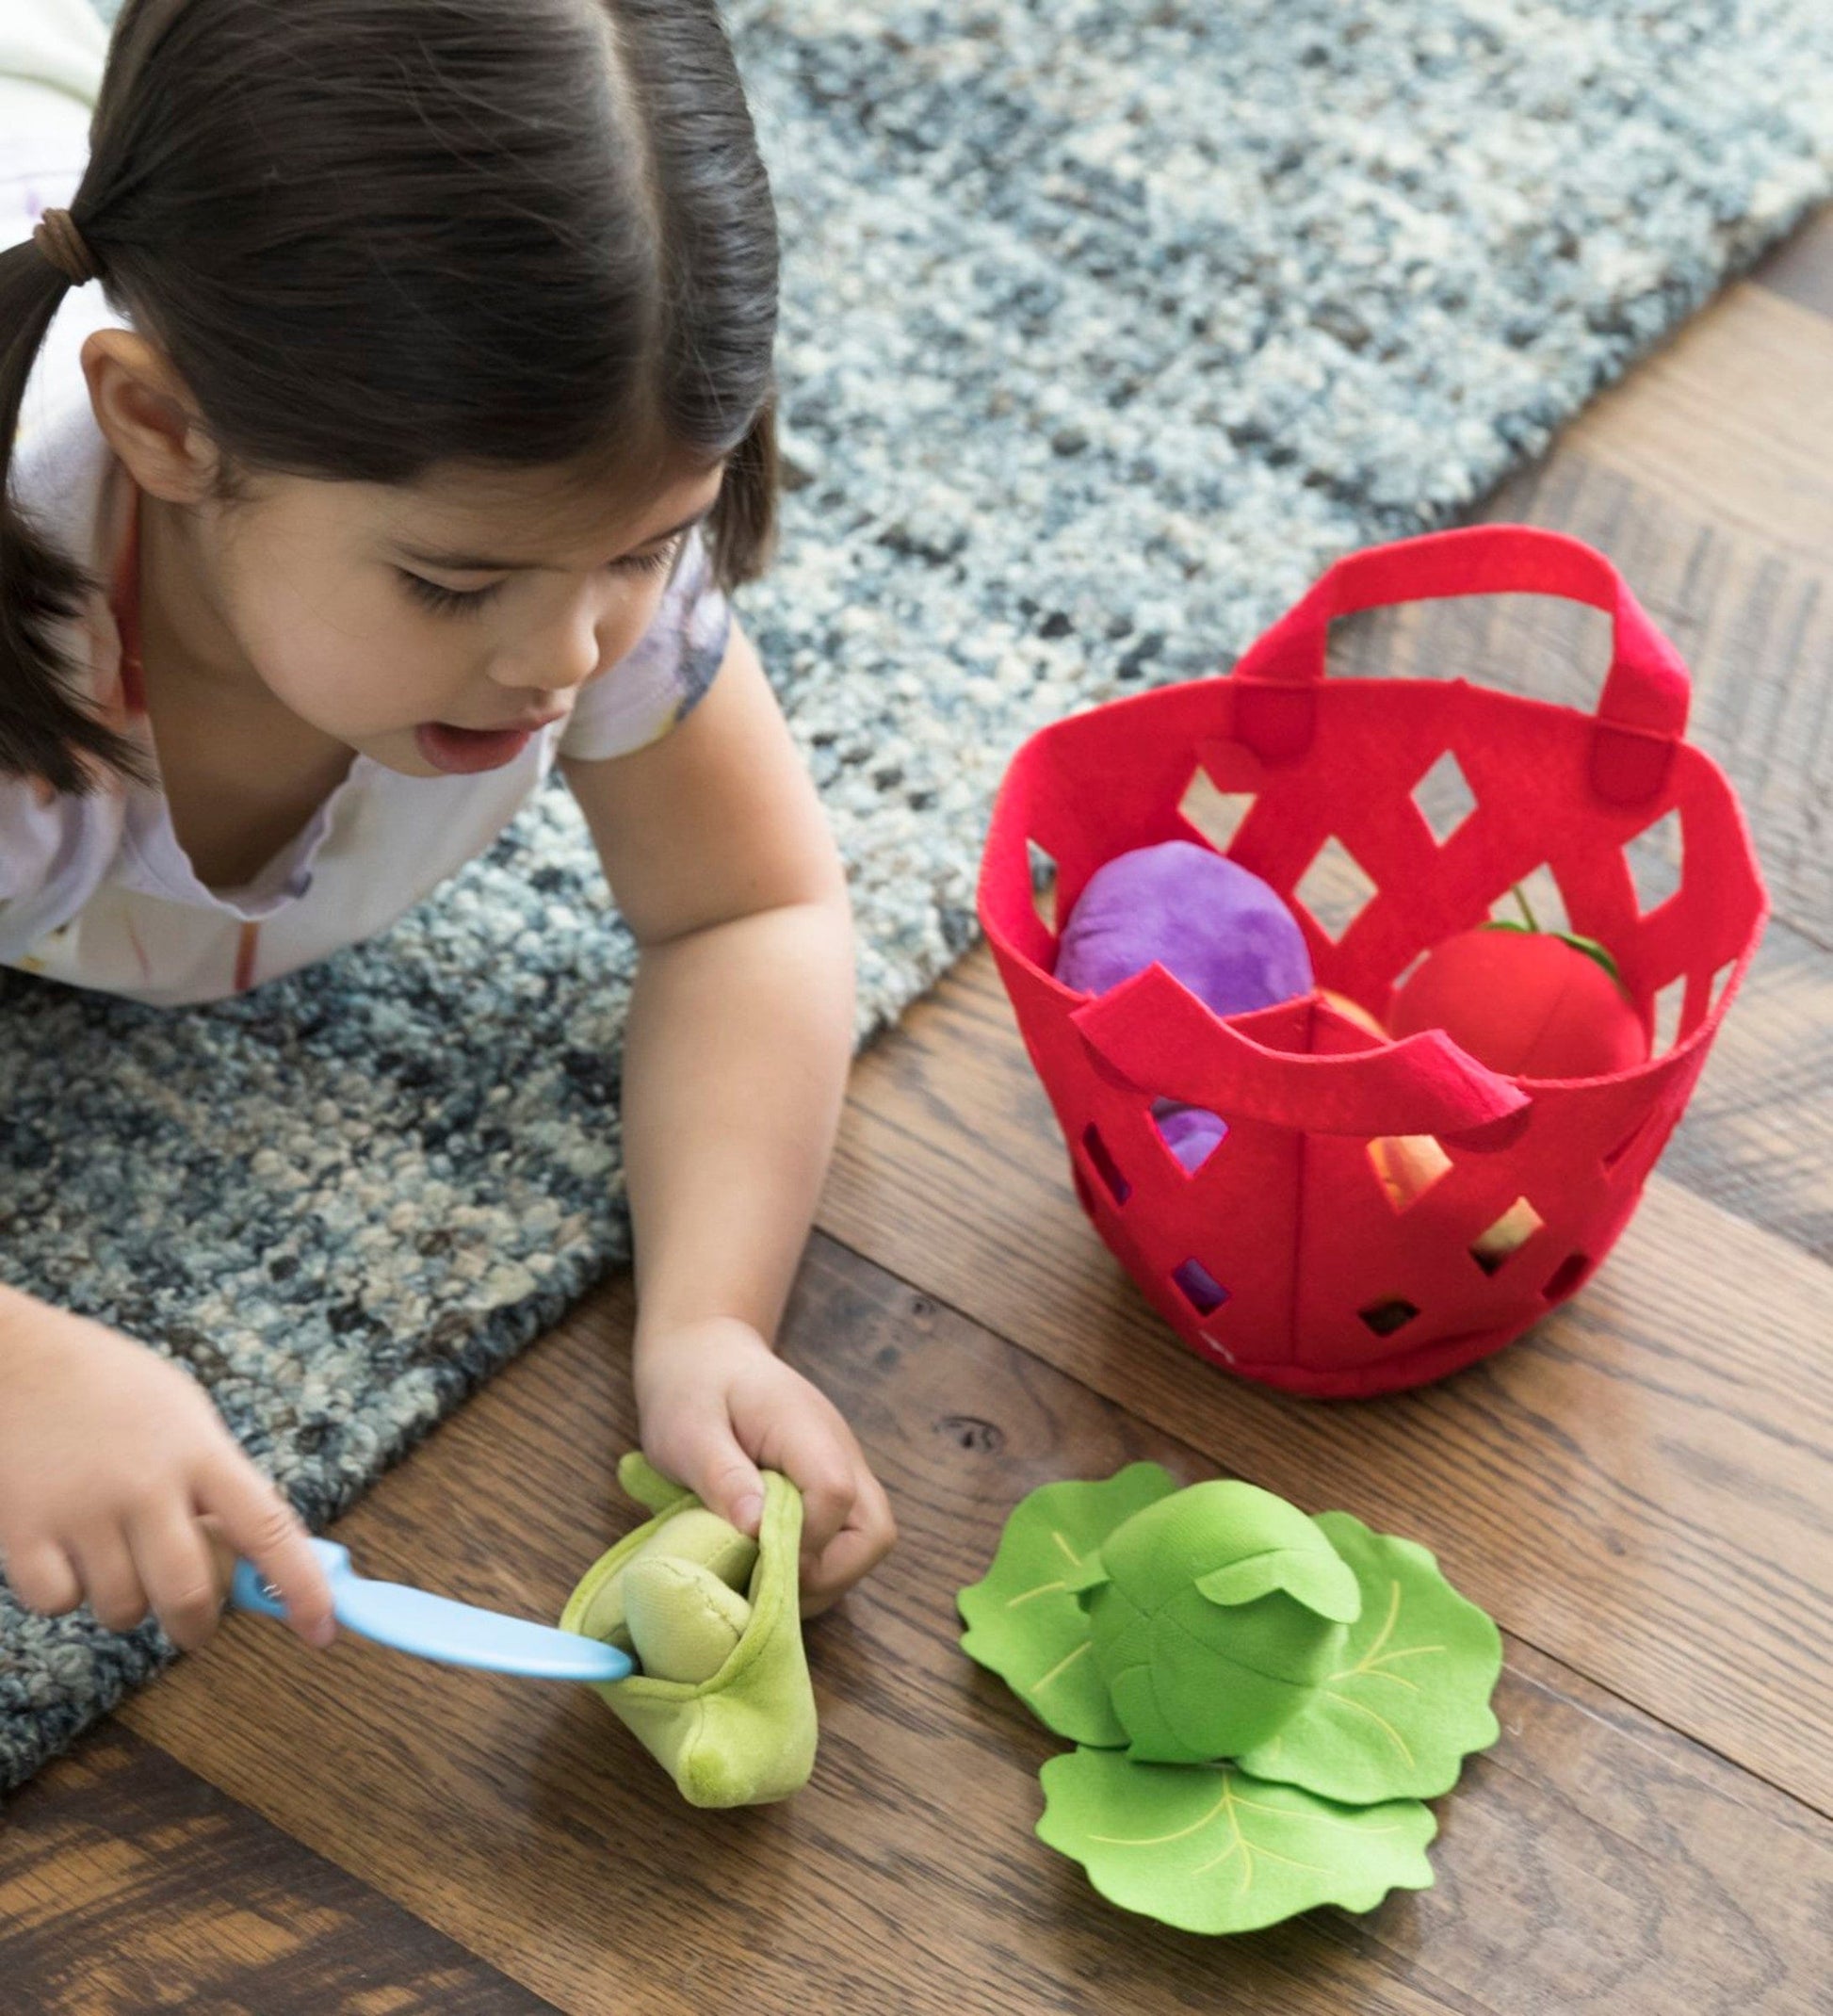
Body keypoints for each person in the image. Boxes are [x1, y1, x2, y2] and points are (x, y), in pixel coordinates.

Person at [0, 0, 895, 1660]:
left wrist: (707, 1320)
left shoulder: (568, 517)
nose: (566, 656)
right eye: (454, 584)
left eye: (648, 552)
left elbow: (745, 911)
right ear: (163, 431)